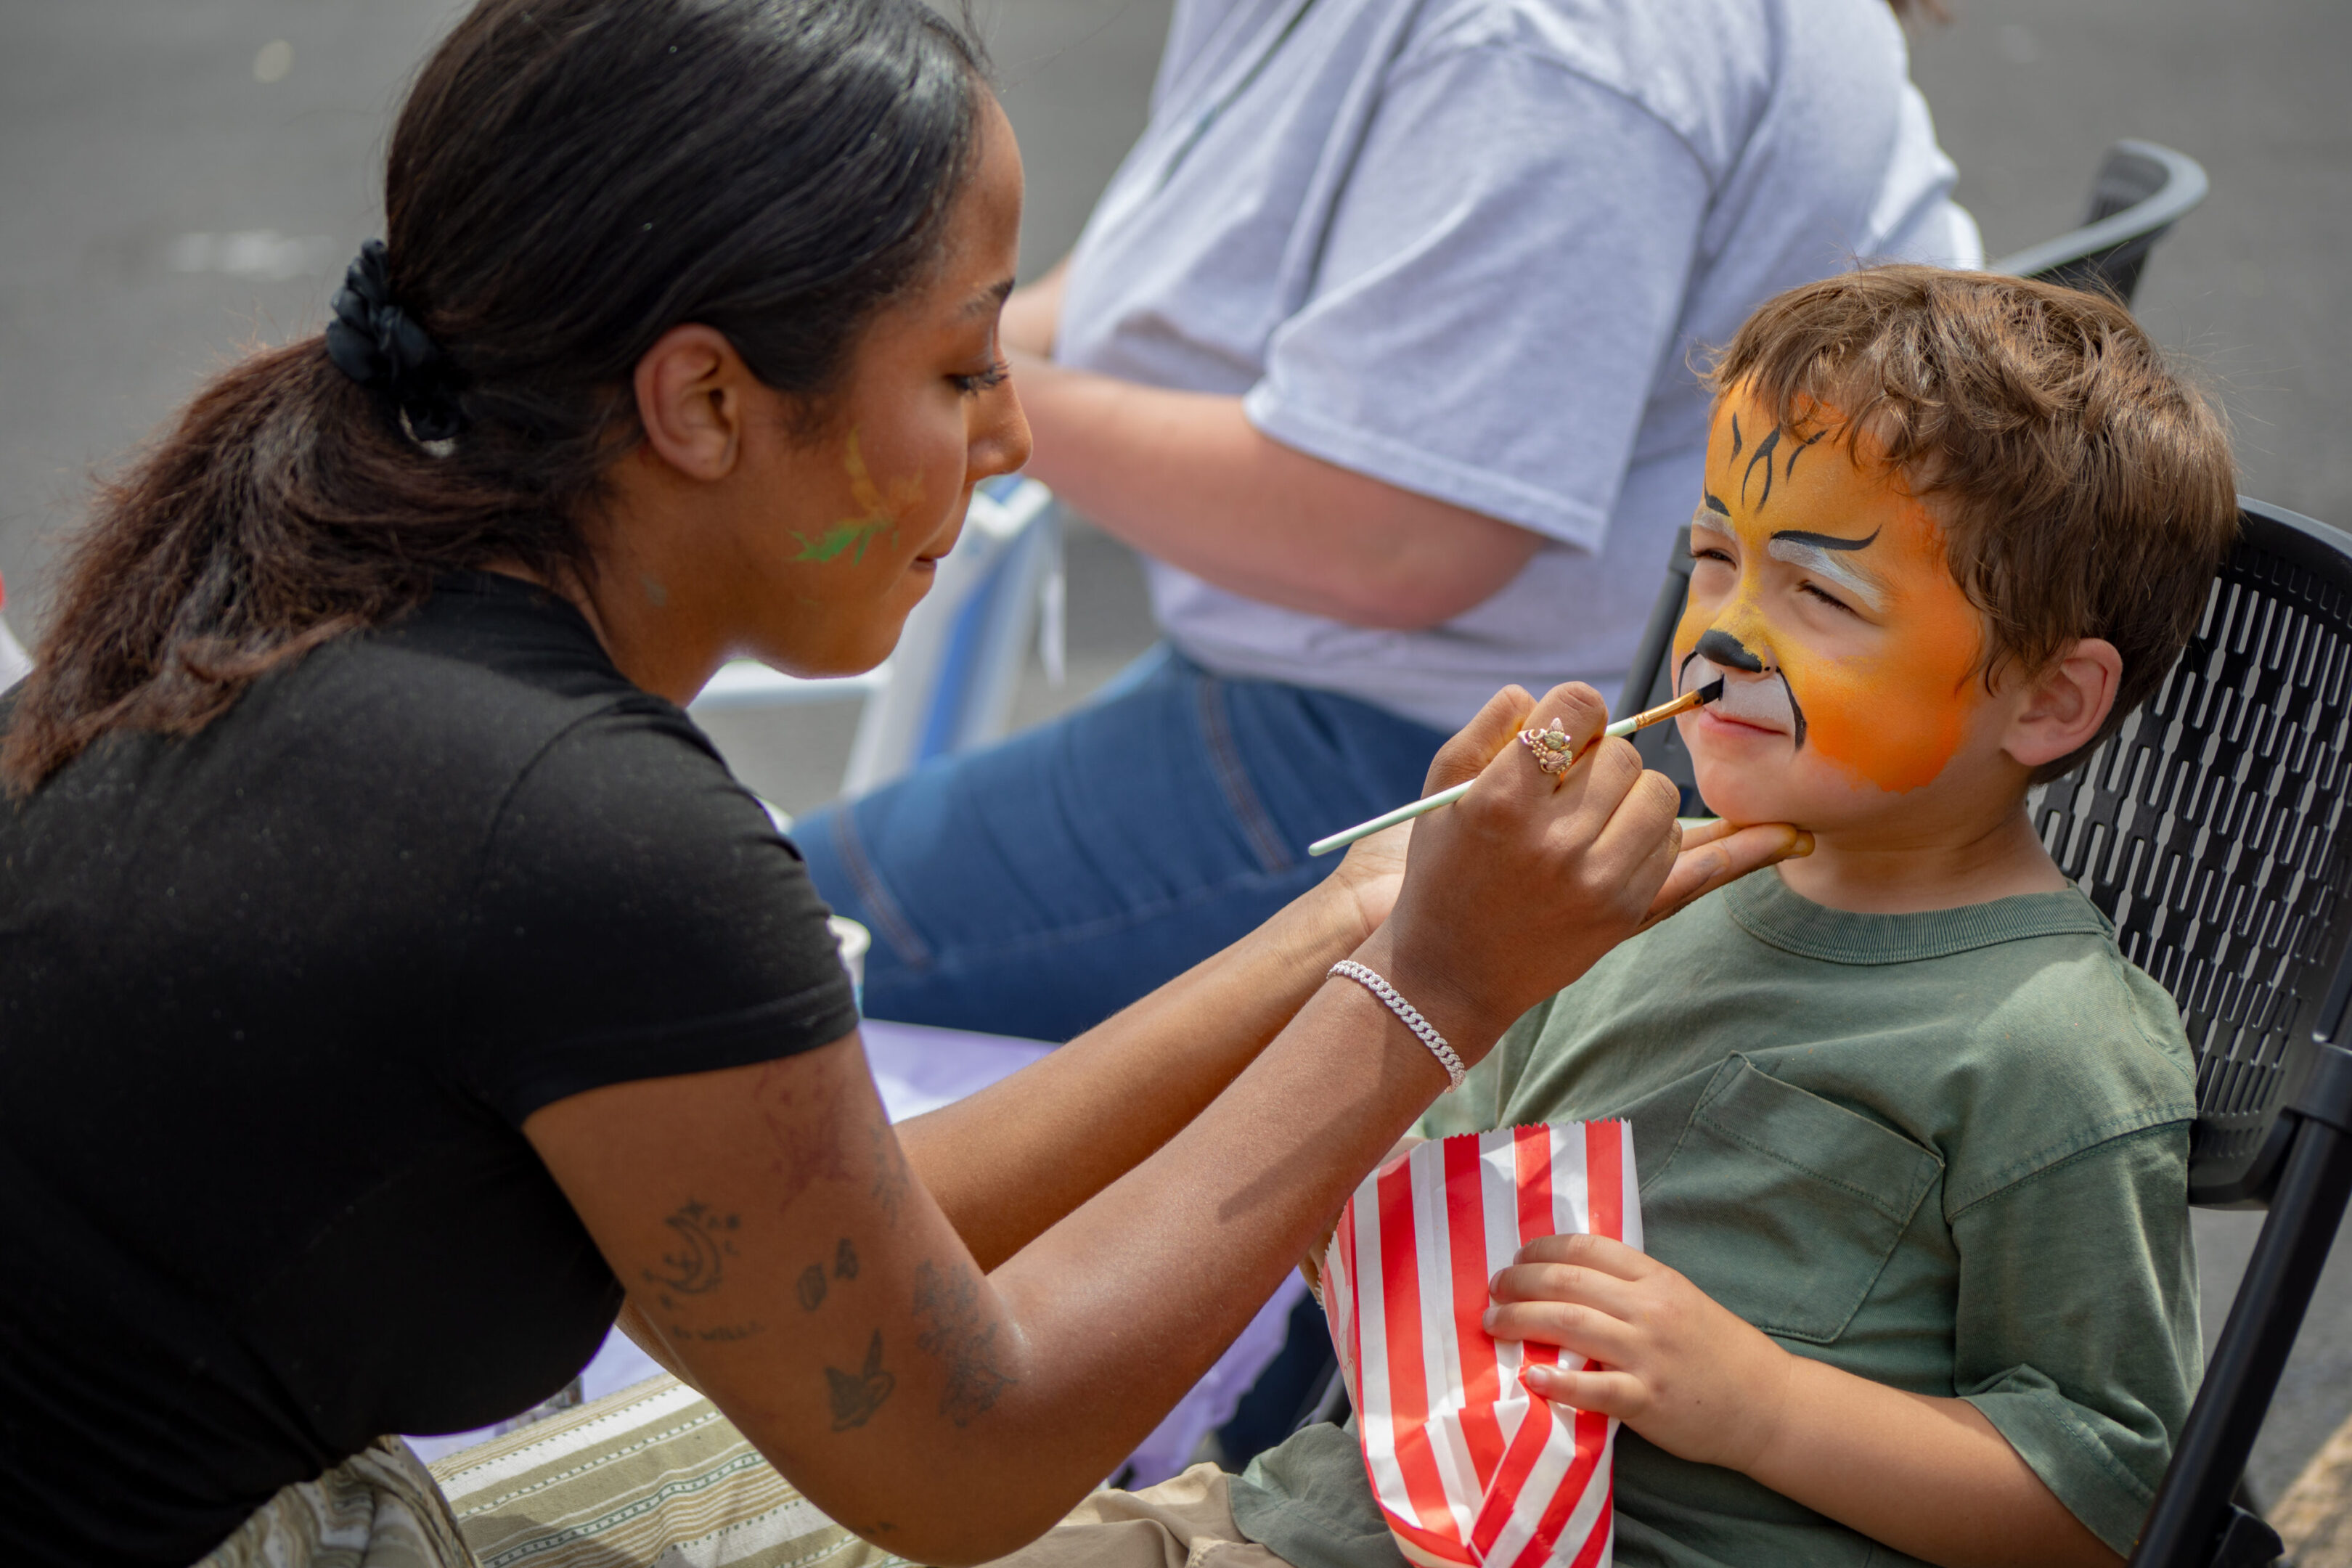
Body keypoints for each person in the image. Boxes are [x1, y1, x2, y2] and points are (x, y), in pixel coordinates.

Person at [0, 2, 1806, 1564]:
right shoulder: (576, 829)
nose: (1014, 433)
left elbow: (822, 1253)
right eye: (960, 365)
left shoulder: (339, 611)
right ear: (705, 401)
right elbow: (960, 1449)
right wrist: (1428, 994)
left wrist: (1358, 923)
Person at [973, 266, 2240, 1567]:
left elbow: (2112, 1496)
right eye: (1714, 557)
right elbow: (1408, 1223)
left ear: (2047, 703)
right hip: (1299, 1516)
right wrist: (1406, 970)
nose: (1725, 639)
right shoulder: (1611, 898)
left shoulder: (2054, 1043)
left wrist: (1761, 1405)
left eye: (1822, 595)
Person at [793, 0, 1985, 1044]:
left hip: (1466, 747)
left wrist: (931, 388)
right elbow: (1146, 295)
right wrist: (938, 362)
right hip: (1388, 686)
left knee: (751, 956)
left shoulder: (1561, 45)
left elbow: (1401, 538)